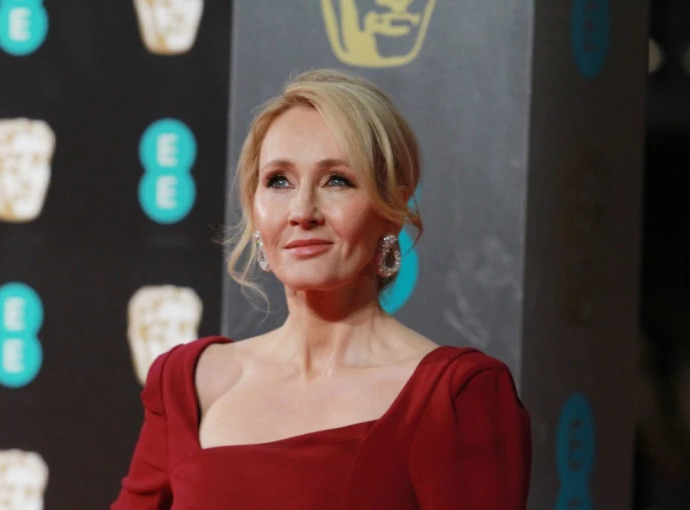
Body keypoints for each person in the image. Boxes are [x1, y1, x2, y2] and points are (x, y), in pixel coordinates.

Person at [111, 69, 531, 509]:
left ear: (393, 209)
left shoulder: (457, 396)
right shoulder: (188, 383)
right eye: (279, 181)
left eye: (337, 180)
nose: (302, 211)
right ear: (254, 208)